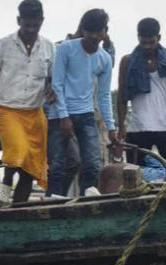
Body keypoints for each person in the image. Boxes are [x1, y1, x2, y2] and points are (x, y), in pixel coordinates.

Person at [0, 0, 52, 204]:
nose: (30, 29)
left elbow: (52, 80)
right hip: (6, 109)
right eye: (26, 25)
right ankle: (7, 181)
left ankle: (18, 207)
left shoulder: (48, 48)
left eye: (35, 25)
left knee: (31, 167)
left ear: (41, 21)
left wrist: (51, 90)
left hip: (34, 112)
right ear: (19, 21)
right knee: (17, 151)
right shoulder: (2, 45)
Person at [51, 9, 119, 196]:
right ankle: (53, 201)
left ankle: (85, 201)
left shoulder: (105, 58)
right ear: (83, 30)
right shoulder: (66, 48)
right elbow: (57, 84)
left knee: (92, 163)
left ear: (104, 31)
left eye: (98, 32)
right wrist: (64, 117)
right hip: (60, 114)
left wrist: (111, 128)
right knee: (57, 164)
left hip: (86, 114)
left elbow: (104, 96)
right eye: (89, 32)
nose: (93, 37)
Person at [117, 18, 166, 167]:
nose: (147, 46)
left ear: (158, 38)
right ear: (138, 38)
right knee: (135, 175)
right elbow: (122, 95)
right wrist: (121, 124)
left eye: (151, 42)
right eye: (143, 42)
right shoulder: (127, 61)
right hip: (138, 127)